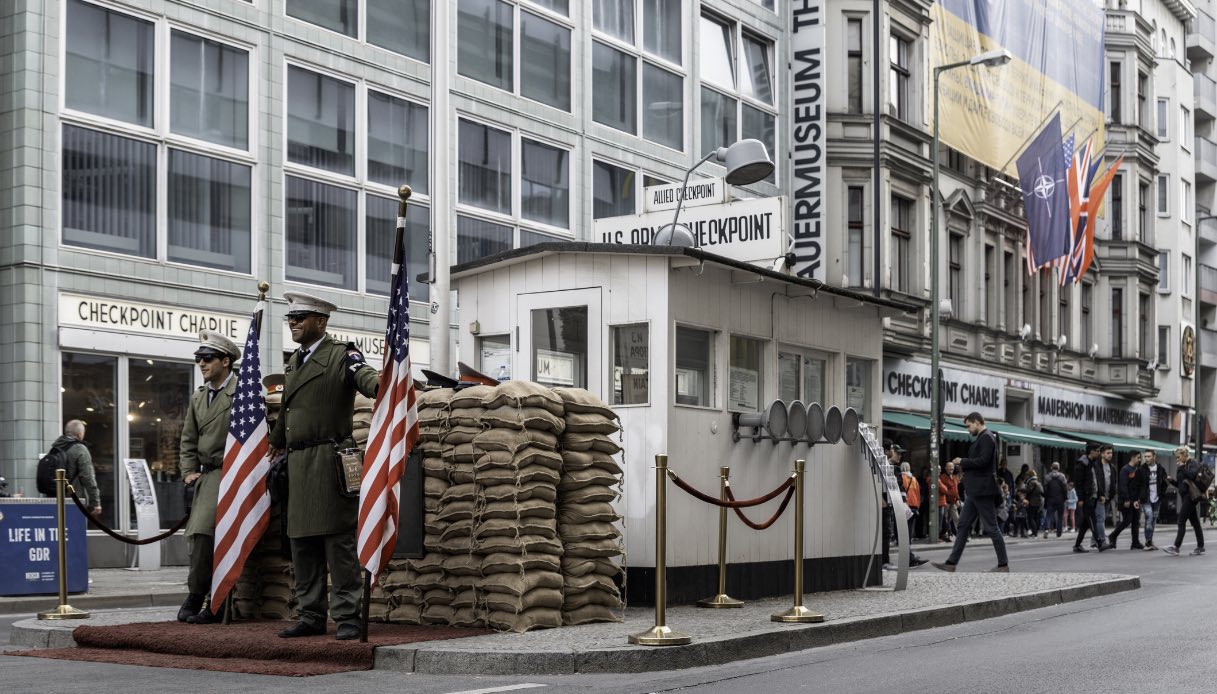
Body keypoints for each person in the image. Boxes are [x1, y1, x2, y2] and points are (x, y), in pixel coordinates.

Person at [268, 292, 380, 640]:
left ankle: (347, 616)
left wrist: (389, 382)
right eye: (291, 318)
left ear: (321, 321)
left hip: (332, 459)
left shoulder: (341, 355)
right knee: (302, 545)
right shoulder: (294, 363)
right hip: (299, 462)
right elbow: (287, 411)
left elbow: (369, 380)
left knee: (338, 543)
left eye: (301, 317)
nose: (293, 323)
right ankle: (311, 615)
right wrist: (275, 443)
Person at [177, 330, 241, 624]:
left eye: (207, 358)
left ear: (225, 361)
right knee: (200, 538)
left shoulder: (242, 392)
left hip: (233, 472)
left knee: (212, 537)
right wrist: (189, 471)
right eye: (198, 359)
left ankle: (211, 600)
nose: (201, 364)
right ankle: (198, 593)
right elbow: (188, 439)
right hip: (208, 476)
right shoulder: (199, 397)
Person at [933, 412, 1009, 573]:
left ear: (977, 422)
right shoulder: (983, 438)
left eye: (969, 426)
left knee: (992, 527)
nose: (968, 429)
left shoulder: (987, 437)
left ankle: (1003, 565)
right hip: (976, 491)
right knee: (962, 525)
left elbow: (984, 461)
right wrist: (963, 466)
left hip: (983, 490)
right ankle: (951, 563)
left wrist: (963, 461)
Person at [880, 441, 927, 569]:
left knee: (896, 533)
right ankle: (888, 561)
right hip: (889, 505)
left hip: (897, 505)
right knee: (891, 533)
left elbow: (899, 488)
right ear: (888, 451)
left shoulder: (895, 469)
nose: (899, 456)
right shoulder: (883, 466)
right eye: (896, 452)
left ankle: (905, 558)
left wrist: (904, 503)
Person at [47, 420, 101, 517]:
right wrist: (95, 502)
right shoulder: (80, 449)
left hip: (55, 499)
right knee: (76, 530)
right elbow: (88, 477)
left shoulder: (55, 448)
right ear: (80, 434)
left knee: (60, 530)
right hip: (75, 500)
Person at [1163, 447, 1206, 556]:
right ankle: (1200, 547)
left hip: (1191, 496)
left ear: (1184, 455)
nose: (1177, 459)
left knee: (1181, 521)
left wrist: (1182, 467)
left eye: (1178, 456)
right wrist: (1172, 481)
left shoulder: (1192, 463)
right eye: (1176, 457)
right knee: (1195, 522)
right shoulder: (1181, 467)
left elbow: (1192, 475)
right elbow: (1181, 485)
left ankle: (1176, 547)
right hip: (1185, 496)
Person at [1072, 444, 1111, 553]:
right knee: (1092, 519)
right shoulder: (1082, 465)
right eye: (1097, 451)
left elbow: (1097, 481)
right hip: (1086, 497)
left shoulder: (1094, 464)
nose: (1099, 453)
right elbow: (1078, 483)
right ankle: (1099, 543)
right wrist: (1080, 498)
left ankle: (1077, 545)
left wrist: (1100, 494)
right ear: (1091, 452)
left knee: (1085, 523)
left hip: (1094, 497)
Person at [1107, 452, 1144, 550]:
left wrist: (1139, 499)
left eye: (1140, 458)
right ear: (1132, 457)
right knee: (1127, 520)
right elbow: (1123, 486)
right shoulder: (1125, 470)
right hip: (1126, 501)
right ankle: (1113, 535)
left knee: (1136, 521)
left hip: (1135, 500)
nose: (1139, 460)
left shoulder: (1138, 470)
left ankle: (1135, 542)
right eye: (1138, 458)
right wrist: (1126, 499)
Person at [1138, 448, 1169, 550]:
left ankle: (1150, 541)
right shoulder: (1141, 469)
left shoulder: (1160, 469)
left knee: (1153, 520)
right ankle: (1147, 541)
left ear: (1154, 457)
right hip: (1146, 499)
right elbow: (1137, 485)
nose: (1146, 458)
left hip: (1157, 499)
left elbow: (1165, 482)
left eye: (1148, 456)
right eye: (1145, 456)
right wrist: (1137, 498)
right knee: (1149, 517)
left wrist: (1162, 493)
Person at [1091, 445, 1116, 545]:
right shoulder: (1096, 466)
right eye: (1108, 453)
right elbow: (1096, 482)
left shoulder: (1112, 467)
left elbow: (1113, 482)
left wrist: (1112, 495)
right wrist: (1099, 494)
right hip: (1099, 497)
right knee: (1100, 519)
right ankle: (1102, 540)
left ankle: (1093, 541)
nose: (1110, 455)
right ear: (1102, 454)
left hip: (1108, 497)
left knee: (1101, 519)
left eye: (1111, 453)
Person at [1043, 462, 1068, 538]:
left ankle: (1047, 529)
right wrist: (1065, 498)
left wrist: (1046, 499)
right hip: (1060, 499)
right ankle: (1059, 532)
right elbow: (1065, 489)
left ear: (1051, 467)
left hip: (1050, 499)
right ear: (1058, 468)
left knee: (1049, 515)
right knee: (1060, 516)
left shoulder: (1047, 477)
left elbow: (1046, 490)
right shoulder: (1062, 476)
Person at [899, 462, 921, 542]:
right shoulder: (914, 479)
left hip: (904, 504)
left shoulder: (900, 478)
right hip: (914, 504)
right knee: (911, 525)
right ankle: (909, 540)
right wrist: (918, 504)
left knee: (902, 524)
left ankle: (902, 540)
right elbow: (918, 493)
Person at [938, 462, 959, 541]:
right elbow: (943, 490)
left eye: (952, 467)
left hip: (953, 501)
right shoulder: (942, 477)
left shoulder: (954, 477)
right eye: (950, 467)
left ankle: (960, 535)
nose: (951, 469)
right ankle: (947, 533)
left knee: (956, 518)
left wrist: (957, 499)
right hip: (946, 502)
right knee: (946, 519)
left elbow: (956, 490)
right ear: (946, 468)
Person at [1024, 471, 1044, 538]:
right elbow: (1042, 492)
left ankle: (1034, 533)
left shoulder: (1031, 482)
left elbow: (1028, 490)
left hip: (1032, 502)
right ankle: (1035, 532)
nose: (1026, 477)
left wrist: (1022, 488)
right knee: (1035, 518)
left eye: (1027, 475)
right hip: (1038, 502)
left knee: (1030, 518)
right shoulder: (1038, 482)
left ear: (1029, 475)